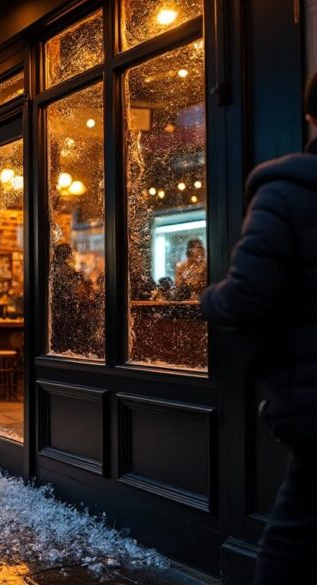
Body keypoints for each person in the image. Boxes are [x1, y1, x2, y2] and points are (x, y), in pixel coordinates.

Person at [201, 73, 317, 584]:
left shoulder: (288, 189)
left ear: (310, 115)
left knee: (290, 540)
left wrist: (206, 299)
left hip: (313, 400)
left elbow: (246, 296)